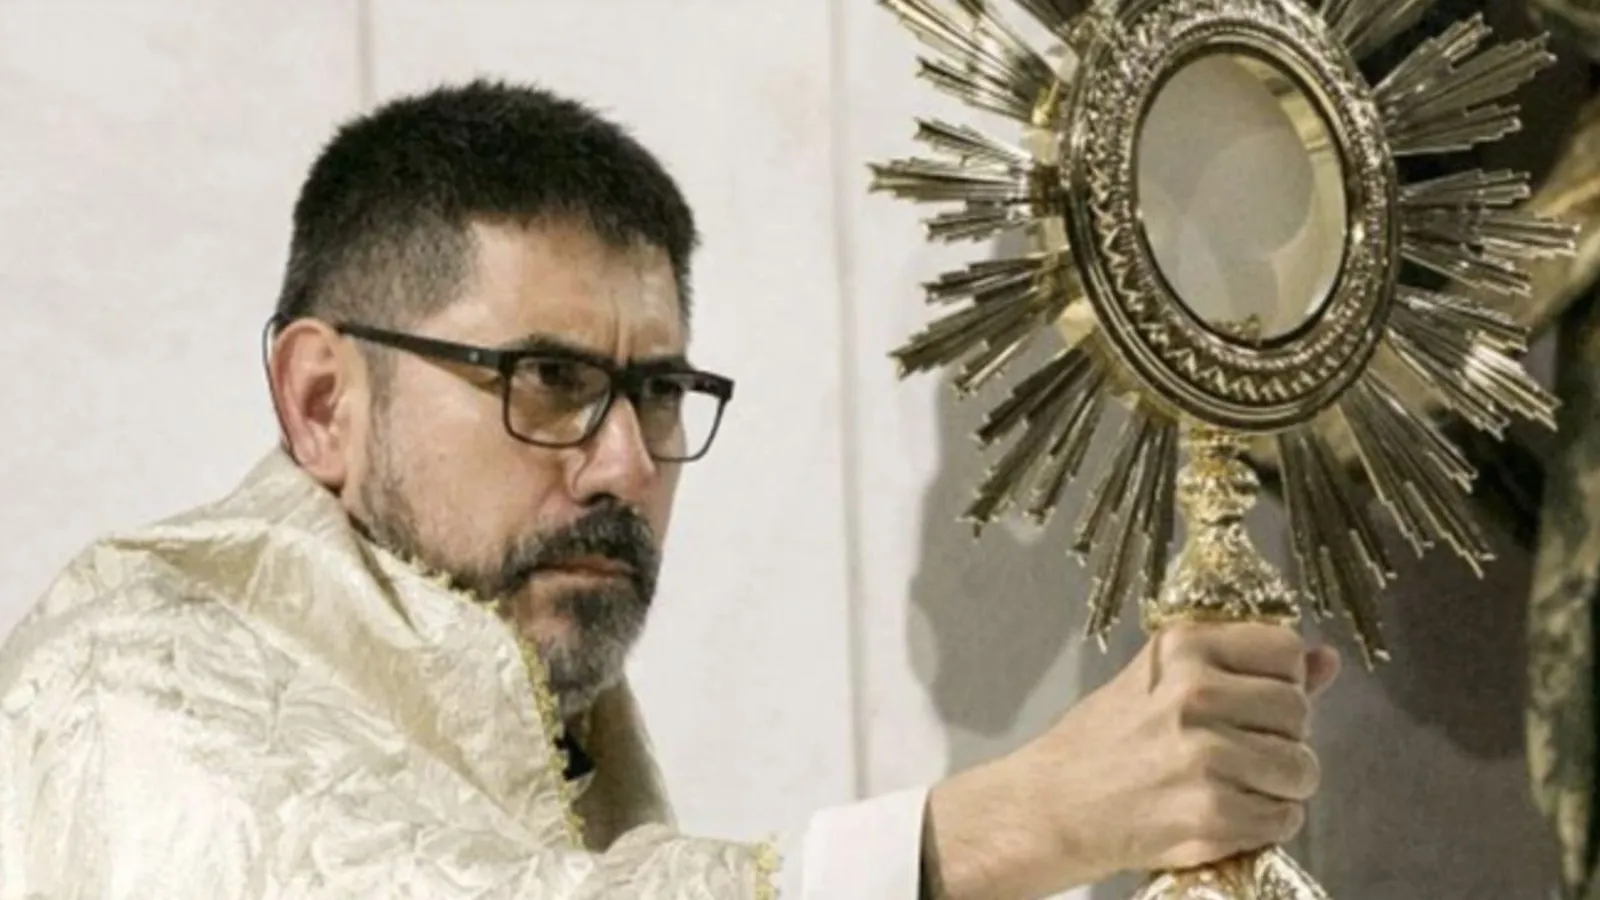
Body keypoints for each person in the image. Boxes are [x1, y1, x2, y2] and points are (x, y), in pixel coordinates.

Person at [0, 79, 1340, 899]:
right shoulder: (124, 680)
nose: (627, 465)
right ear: (322, 403)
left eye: (656, 391)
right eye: (545, 379)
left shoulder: (563, 744)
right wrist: (1016, 822)